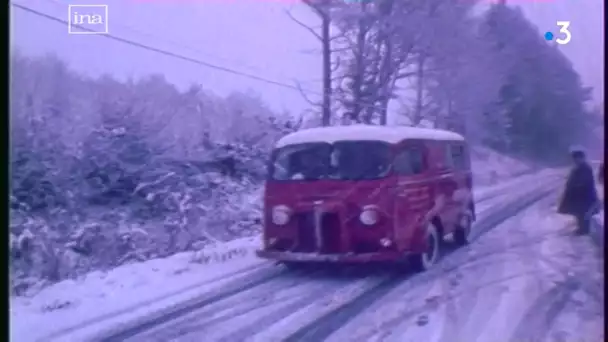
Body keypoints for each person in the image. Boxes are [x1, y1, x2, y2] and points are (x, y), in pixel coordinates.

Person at [558, 148, 600, 235]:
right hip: (578, 195)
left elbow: (585, 181)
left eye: (577, 158)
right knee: (578, 213)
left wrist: (576, 186)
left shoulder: (586, 168)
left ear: (581, 158)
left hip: (585, 195)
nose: (575, 160)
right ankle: (581, 228)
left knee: (584, 213)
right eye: (574, 158)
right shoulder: (577, 168)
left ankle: (584, 230)